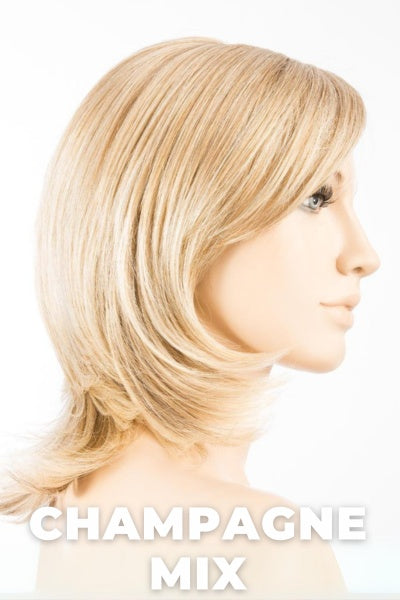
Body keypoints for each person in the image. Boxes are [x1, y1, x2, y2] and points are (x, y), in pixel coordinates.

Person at [0, 36, 380, 598]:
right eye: (316, 198)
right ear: (187, 223)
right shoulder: (268, 548)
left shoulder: (80, 506)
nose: (364, 255)